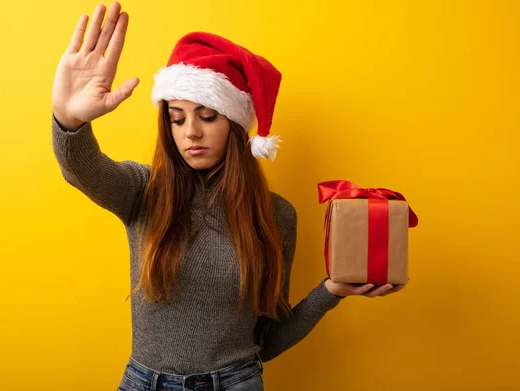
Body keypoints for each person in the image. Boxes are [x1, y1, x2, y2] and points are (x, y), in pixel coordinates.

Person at [50, 2, 406, 390]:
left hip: (235, 383)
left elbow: (266, 340)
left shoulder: (276, 215)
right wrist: (69, 119)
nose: (191, 133)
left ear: (235, 123)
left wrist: (330, 292)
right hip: (144, 382)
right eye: (177, 117)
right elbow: (81, 169)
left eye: (207, 116)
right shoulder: (142, 191)